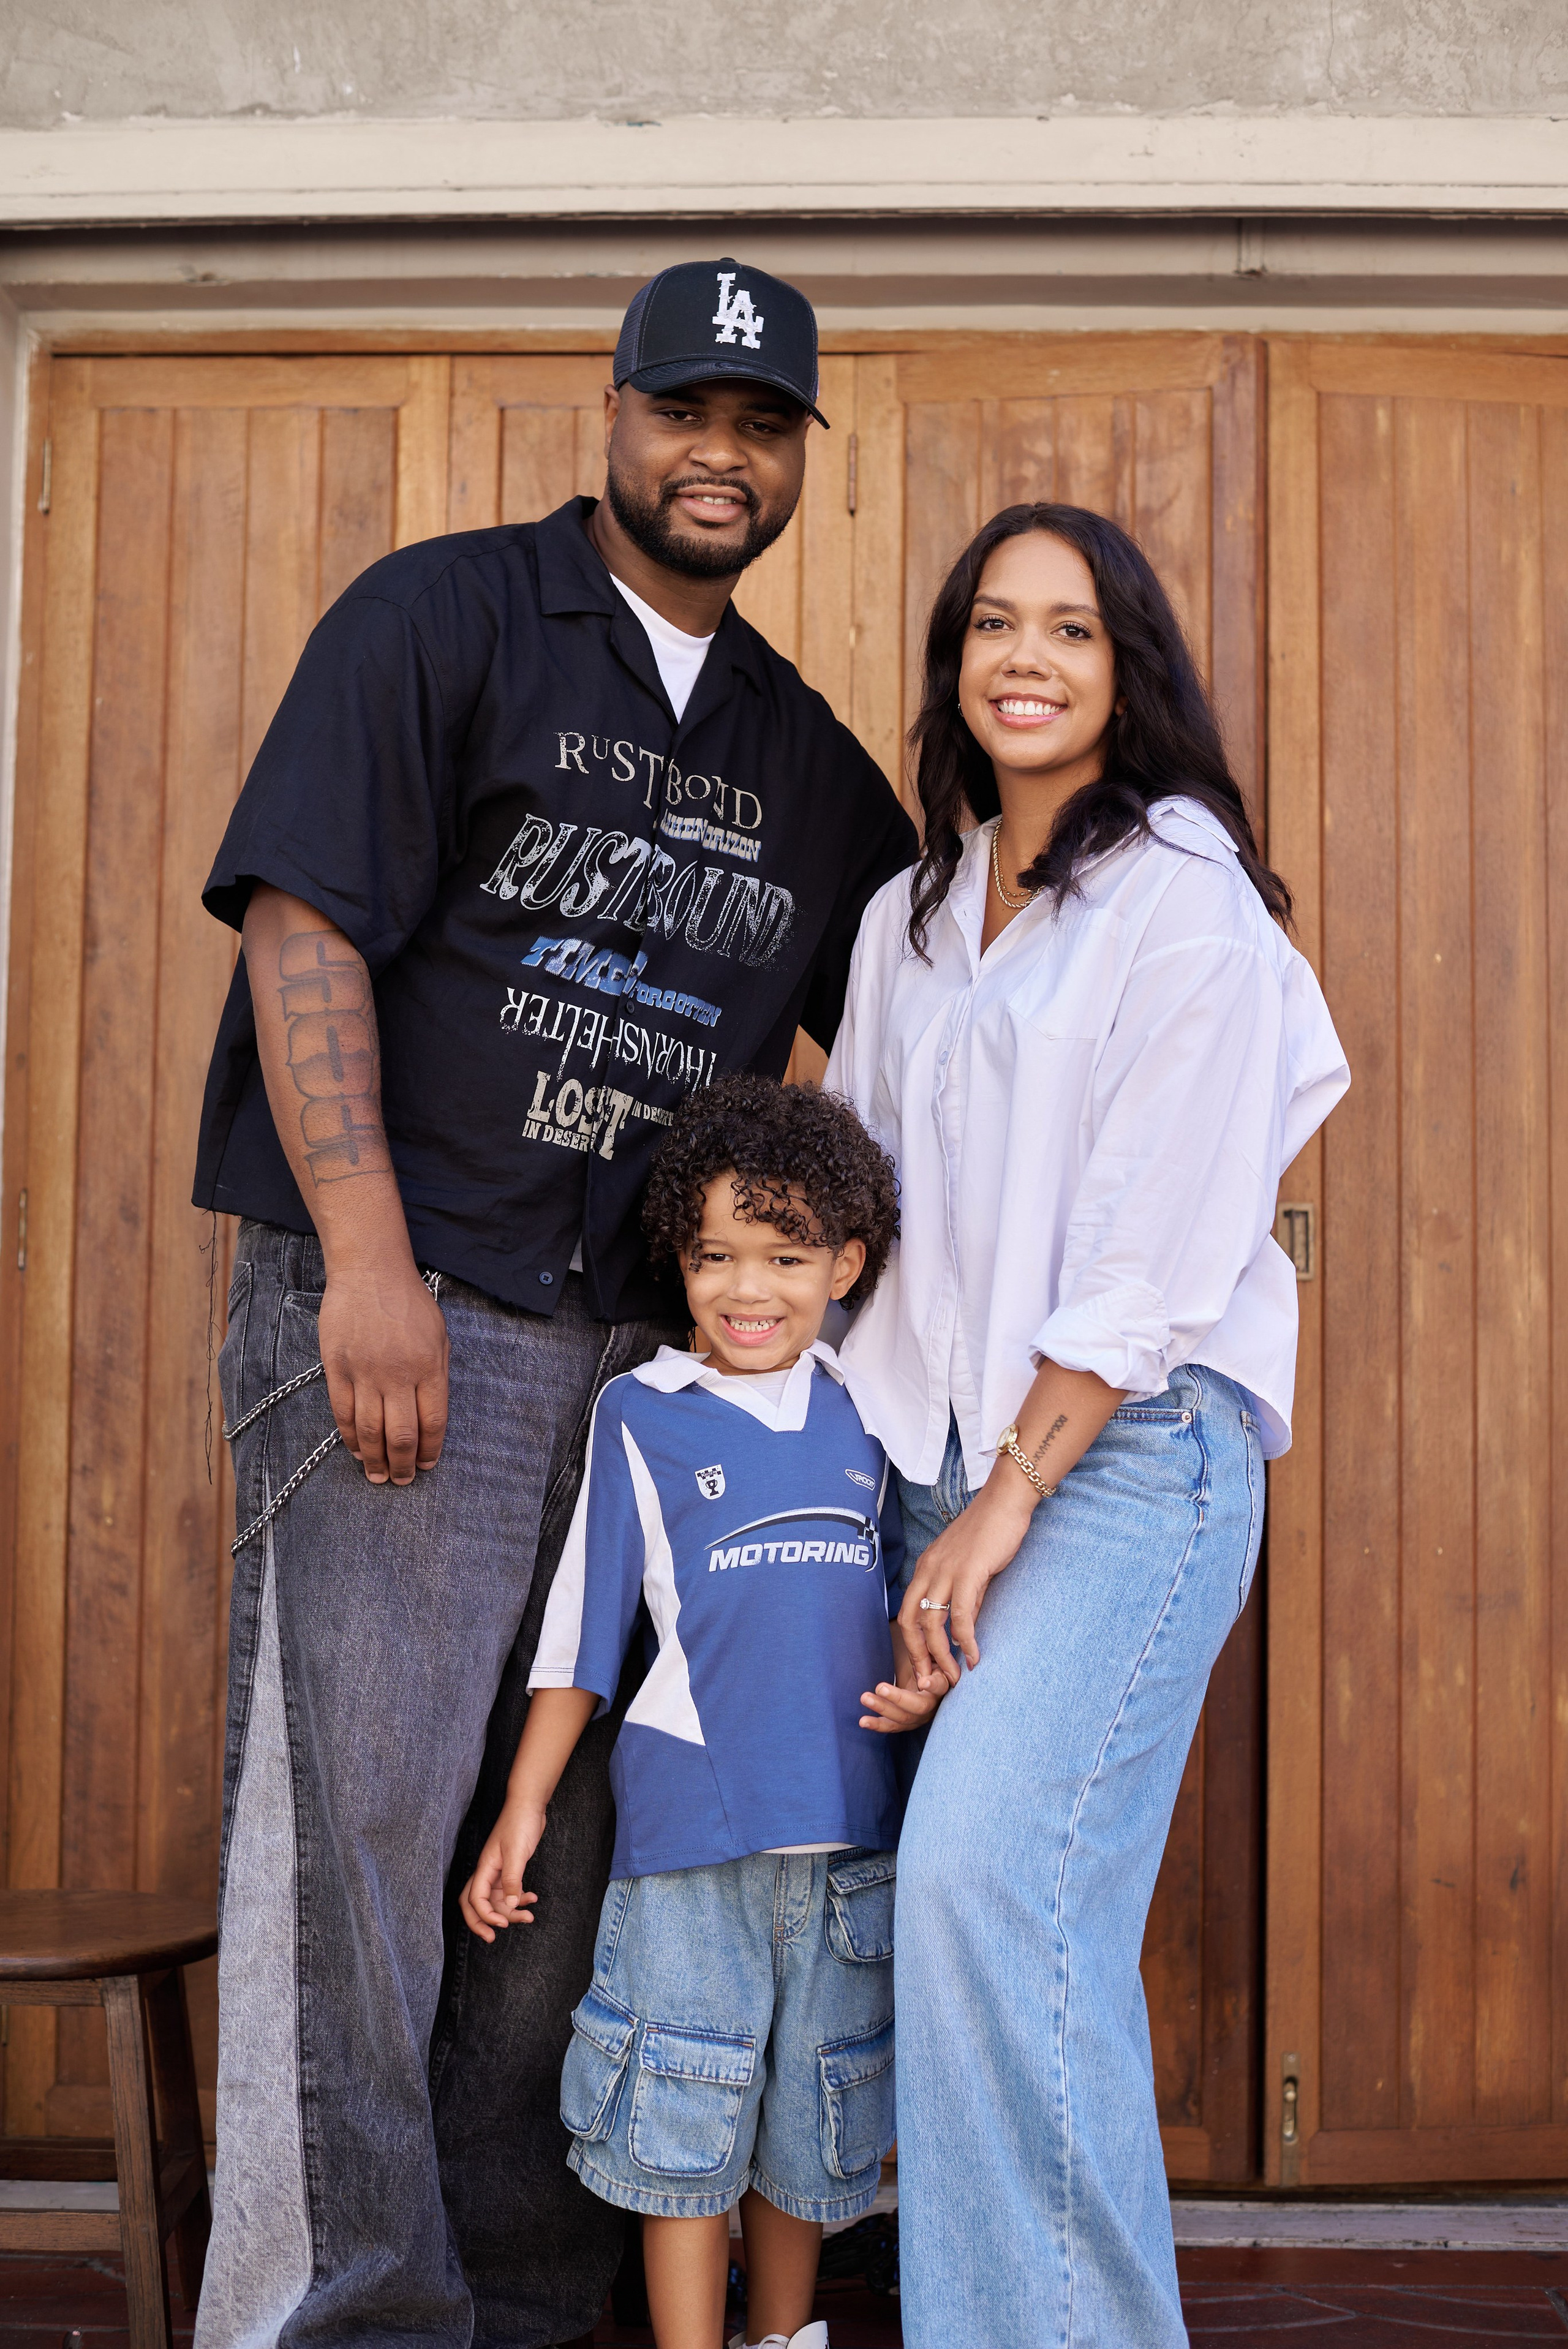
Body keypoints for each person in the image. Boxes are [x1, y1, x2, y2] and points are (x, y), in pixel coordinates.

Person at [192, 259, 916, 2349]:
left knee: (571, 1868)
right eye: (685, 410)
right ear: (611, 411)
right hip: (409, 1321)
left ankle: (514, 2298)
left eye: (762, 424)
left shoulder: (801, 759)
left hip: (641, 1375)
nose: (720, 454)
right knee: (353, 1853)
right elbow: (305, 923)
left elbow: (945, 974)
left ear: (798, 459)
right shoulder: (443, 618)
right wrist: (365, 1260)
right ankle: (336, 2317)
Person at [826, 503, 1350, 2348]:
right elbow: (864, 1209)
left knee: (991, 1885)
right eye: (993, 623)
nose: (1024, 658)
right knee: (960, 1922)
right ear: (955, 662)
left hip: (1120, 1466)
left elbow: (1144, 1254)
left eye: (1069, 627)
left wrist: (1004, 1503)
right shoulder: (910, 910)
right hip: (927, 1461)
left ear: (1128, 672)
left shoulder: (1182, 893)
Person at [458, 1076, 937, 2349]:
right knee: (681, 2117)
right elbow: (581, 1636)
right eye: (716, 1255)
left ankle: (781, 2338)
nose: (747, 1289)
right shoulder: (642, 1414)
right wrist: (522, 1808)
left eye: (785, 1256)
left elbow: (908, 1598)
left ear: (844, 1265)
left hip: (848, 1848)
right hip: (689, 1849)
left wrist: (922, 1679)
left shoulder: (872, 1412)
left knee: (808, 2123)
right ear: (678, 1257)